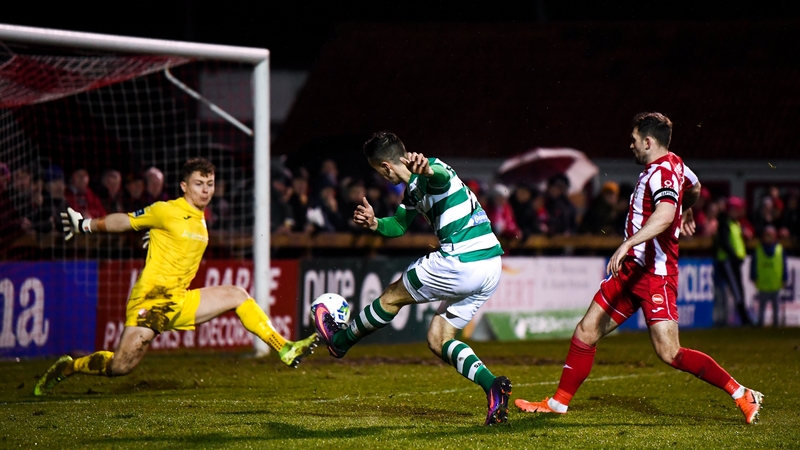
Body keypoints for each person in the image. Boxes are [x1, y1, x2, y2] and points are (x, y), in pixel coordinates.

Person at [514, 112, 763, 424]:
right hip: (632, 271)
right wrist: (687, 208)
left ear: (647, 142)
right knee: (586, 331)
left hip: (655, 275)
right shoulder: (676, 164)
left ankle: (742, 393)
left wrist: (629, 242)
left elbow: (665, 213)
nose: (630, 145)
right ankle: (557, 403)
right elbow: (694, 187)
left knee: (670, 352)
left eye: (633, 140)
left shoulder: (661, 173)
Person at [34, 158, 318, 396]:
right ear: (184, 186)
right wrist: (85, 225)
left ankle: (285, 348)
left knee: (237, 295)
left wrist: (158, 239)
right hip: (152, 299)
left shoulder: (201, 218)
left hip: (178, 300)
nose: (205, 190)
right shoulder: (166, 210)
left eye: (210, 184)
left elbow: (173, 241)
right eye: (199, 184)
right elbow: (127, 220)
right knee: (121, 366)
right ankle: (70, 366)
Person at [311, 132, 512, 426]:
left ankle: (340, 341)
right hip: (490, 265)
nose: (381, 176)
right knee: (438, 339)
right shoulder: (413, 190)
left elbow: (439, 175)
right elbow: (398, 225)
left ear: (385, 167)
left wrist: (427, 168)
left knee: (392, 296)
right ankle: (493, 386)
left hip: (462, 261)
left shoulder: (430, 170)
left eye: (378, 171)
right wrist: (375, 223)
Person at [713, 196, 754, 326]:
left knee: (738, 289)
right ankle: (743, 317)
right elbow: (724, 242)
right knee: (736, 290)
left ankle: (743, 316)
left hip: (734, 261)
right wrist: (734, 256)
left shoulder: (734, 223)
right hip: (728, 261)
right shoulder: (725, 224)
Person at [750, 225, 787, 327]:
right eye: (767, 235)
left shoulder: (780, 249)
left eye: (771, 235)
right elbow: (753, 265)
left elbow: (784, 265)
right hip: (763, 284)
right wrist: (753, 277)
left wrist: (784, 278)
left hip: (776, 284)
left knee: (776, 308)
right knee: (761, 307)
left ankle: (776, 324)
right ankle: (760, 323)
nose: (769, 238)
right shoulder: (758, 250)